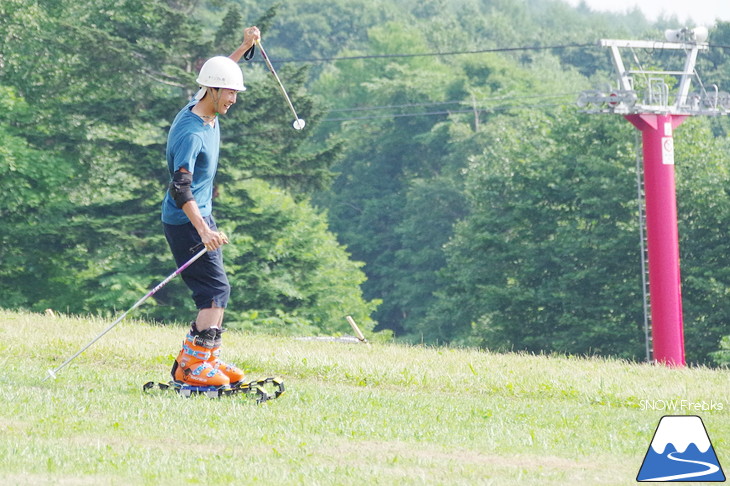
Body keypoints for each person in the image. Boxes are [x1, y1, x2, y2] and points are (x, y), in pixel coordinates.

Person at [161, 26, 261, 388]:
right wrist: (203, 230)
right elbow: (179, 188)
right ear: (213, 91)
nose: (233, 99)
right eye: (229, 92)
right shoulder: (191, 130)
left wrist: (244, 47)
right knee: (215, 291)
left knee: (217, 290)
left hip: (200, 215)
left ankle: (199, 360)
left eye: (236, 92)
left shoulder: (204, 105)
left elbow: (218, 73)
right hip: (186, 219)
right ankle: (196, 368)